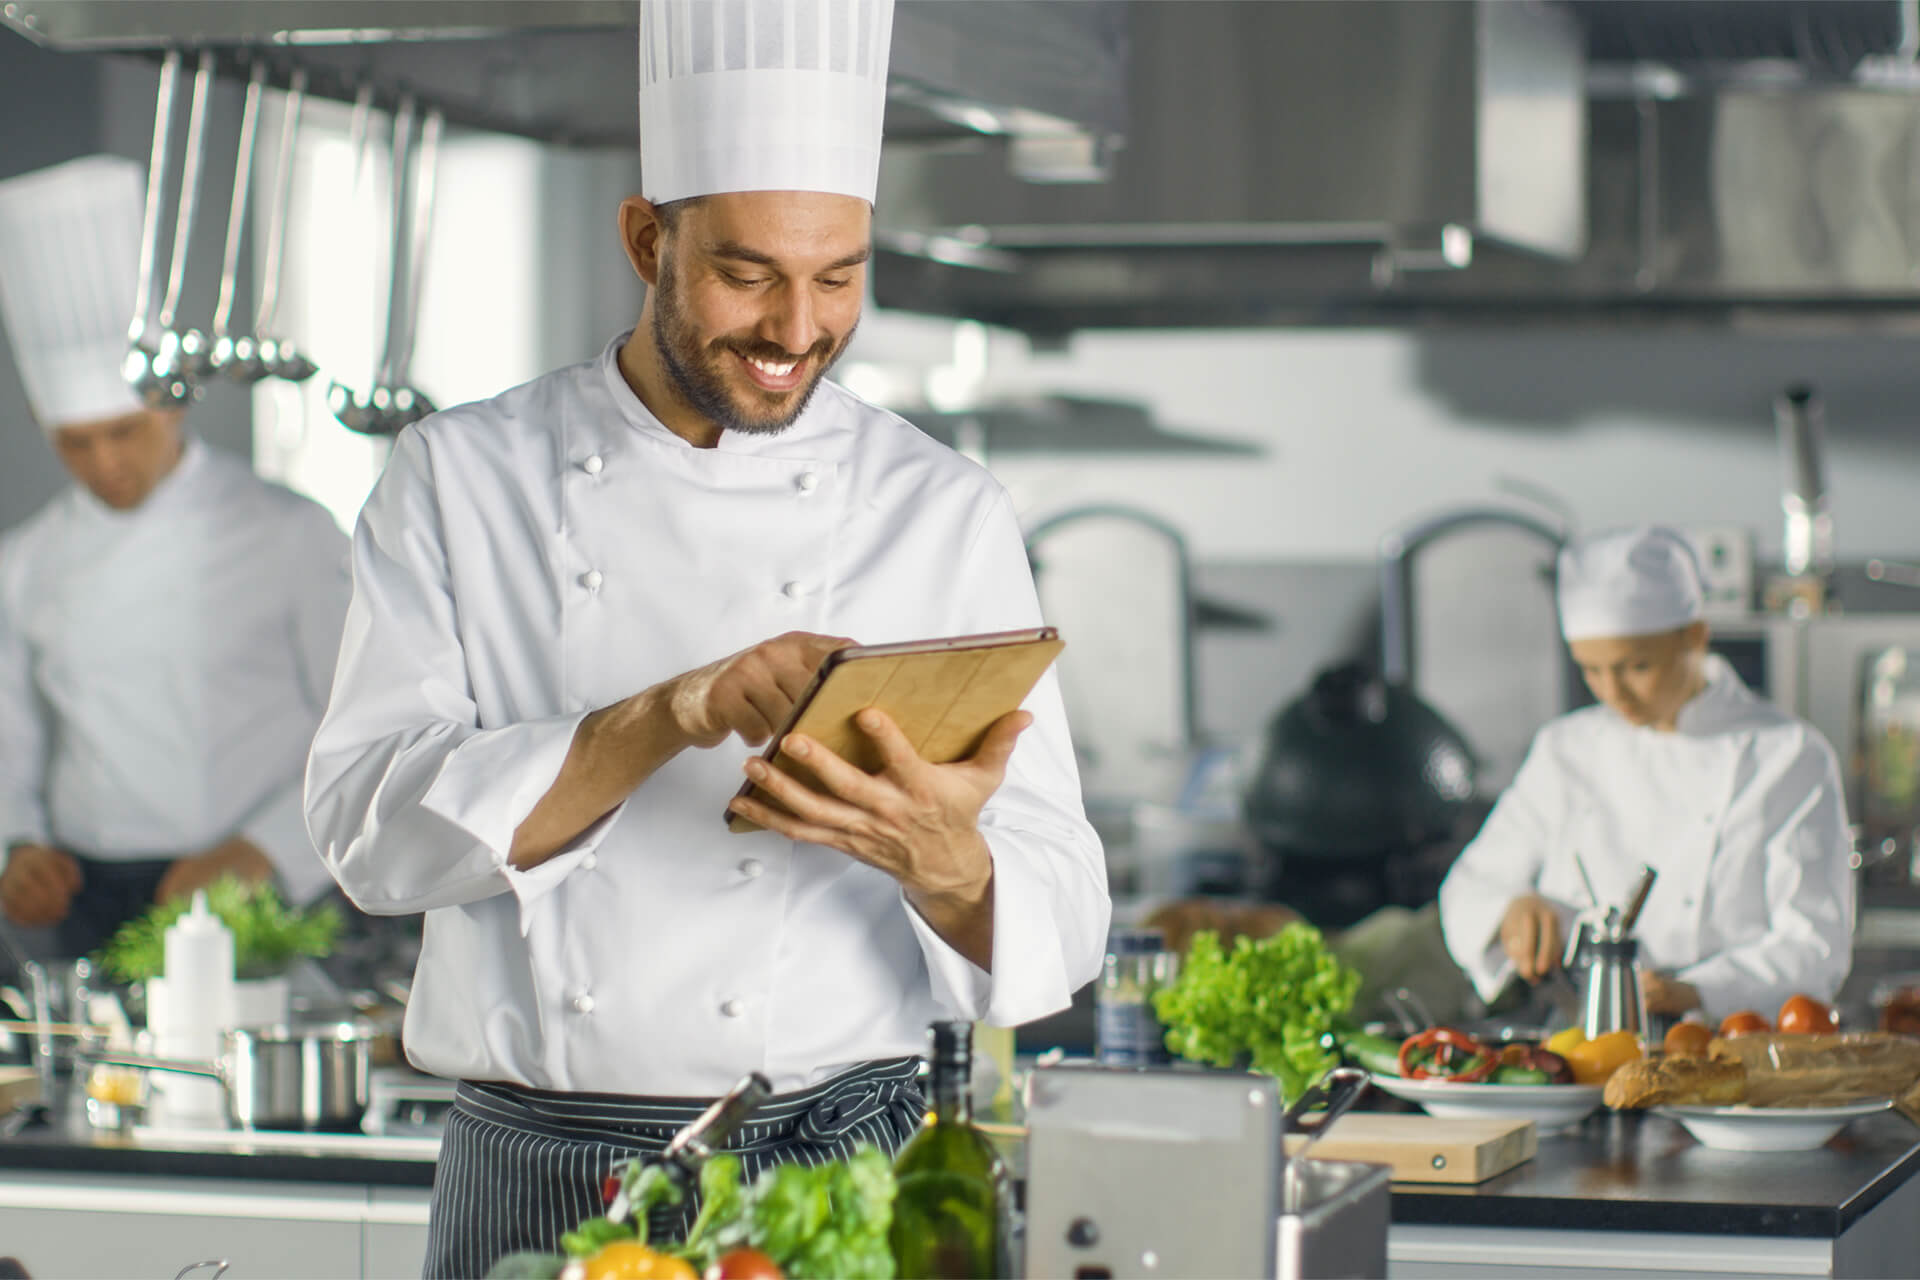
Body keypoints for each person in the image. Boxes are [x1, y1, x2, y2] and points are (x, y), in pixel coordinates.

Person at [301, 2, 1109, 1271]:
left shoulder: (941, 508)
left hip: (838, 1157)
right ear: (646, 238)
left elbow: (1063, 893)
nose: (798, 329)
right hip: (541, 1163)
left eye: (838, 275)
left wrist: (942, 858)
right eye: (748, 274)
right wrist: (666, 714)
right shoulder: (460, 478)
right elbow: (366, 834)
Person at [0, 155, 350, 960]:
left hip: (260, 880)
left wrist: (268, 849)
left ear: (170, 400)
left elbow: (365, 726)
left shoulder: (290, 533)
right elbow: (11, 741)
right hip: (91, 894)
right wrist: (17, 845)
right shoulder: (27, 560)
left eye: (123, 432)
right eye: (75, 443)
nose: (104, 464)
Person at [1439, 525, 1852, 1024]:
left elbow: (1814, 944)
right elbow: (1469, 885)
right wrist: (1512, 909)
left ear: (1696, 635)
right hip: (1577, 1036)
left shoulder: (1789, 756)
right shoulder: (1566, 749)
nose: (1612, 692)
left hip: (1727, 1039)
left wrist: (1693, 990)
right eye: (1591, 670)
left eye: (1635, 666)